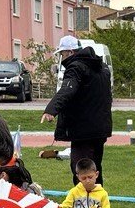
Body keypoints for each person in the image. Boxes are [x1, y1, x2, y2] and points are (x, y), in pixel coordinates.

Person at [39, 36, 113, 188]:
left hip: (83, 130)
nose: (62, 57)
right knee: (95, 167)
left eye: (63, 54)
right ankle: (97, 201)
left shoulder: (76, 67)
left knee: (81, 168)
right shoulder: (103, 67)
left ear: (70, 52)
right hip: (100, 127)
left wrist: (51, 110)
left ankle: (84, 204)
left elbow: (67, 89)